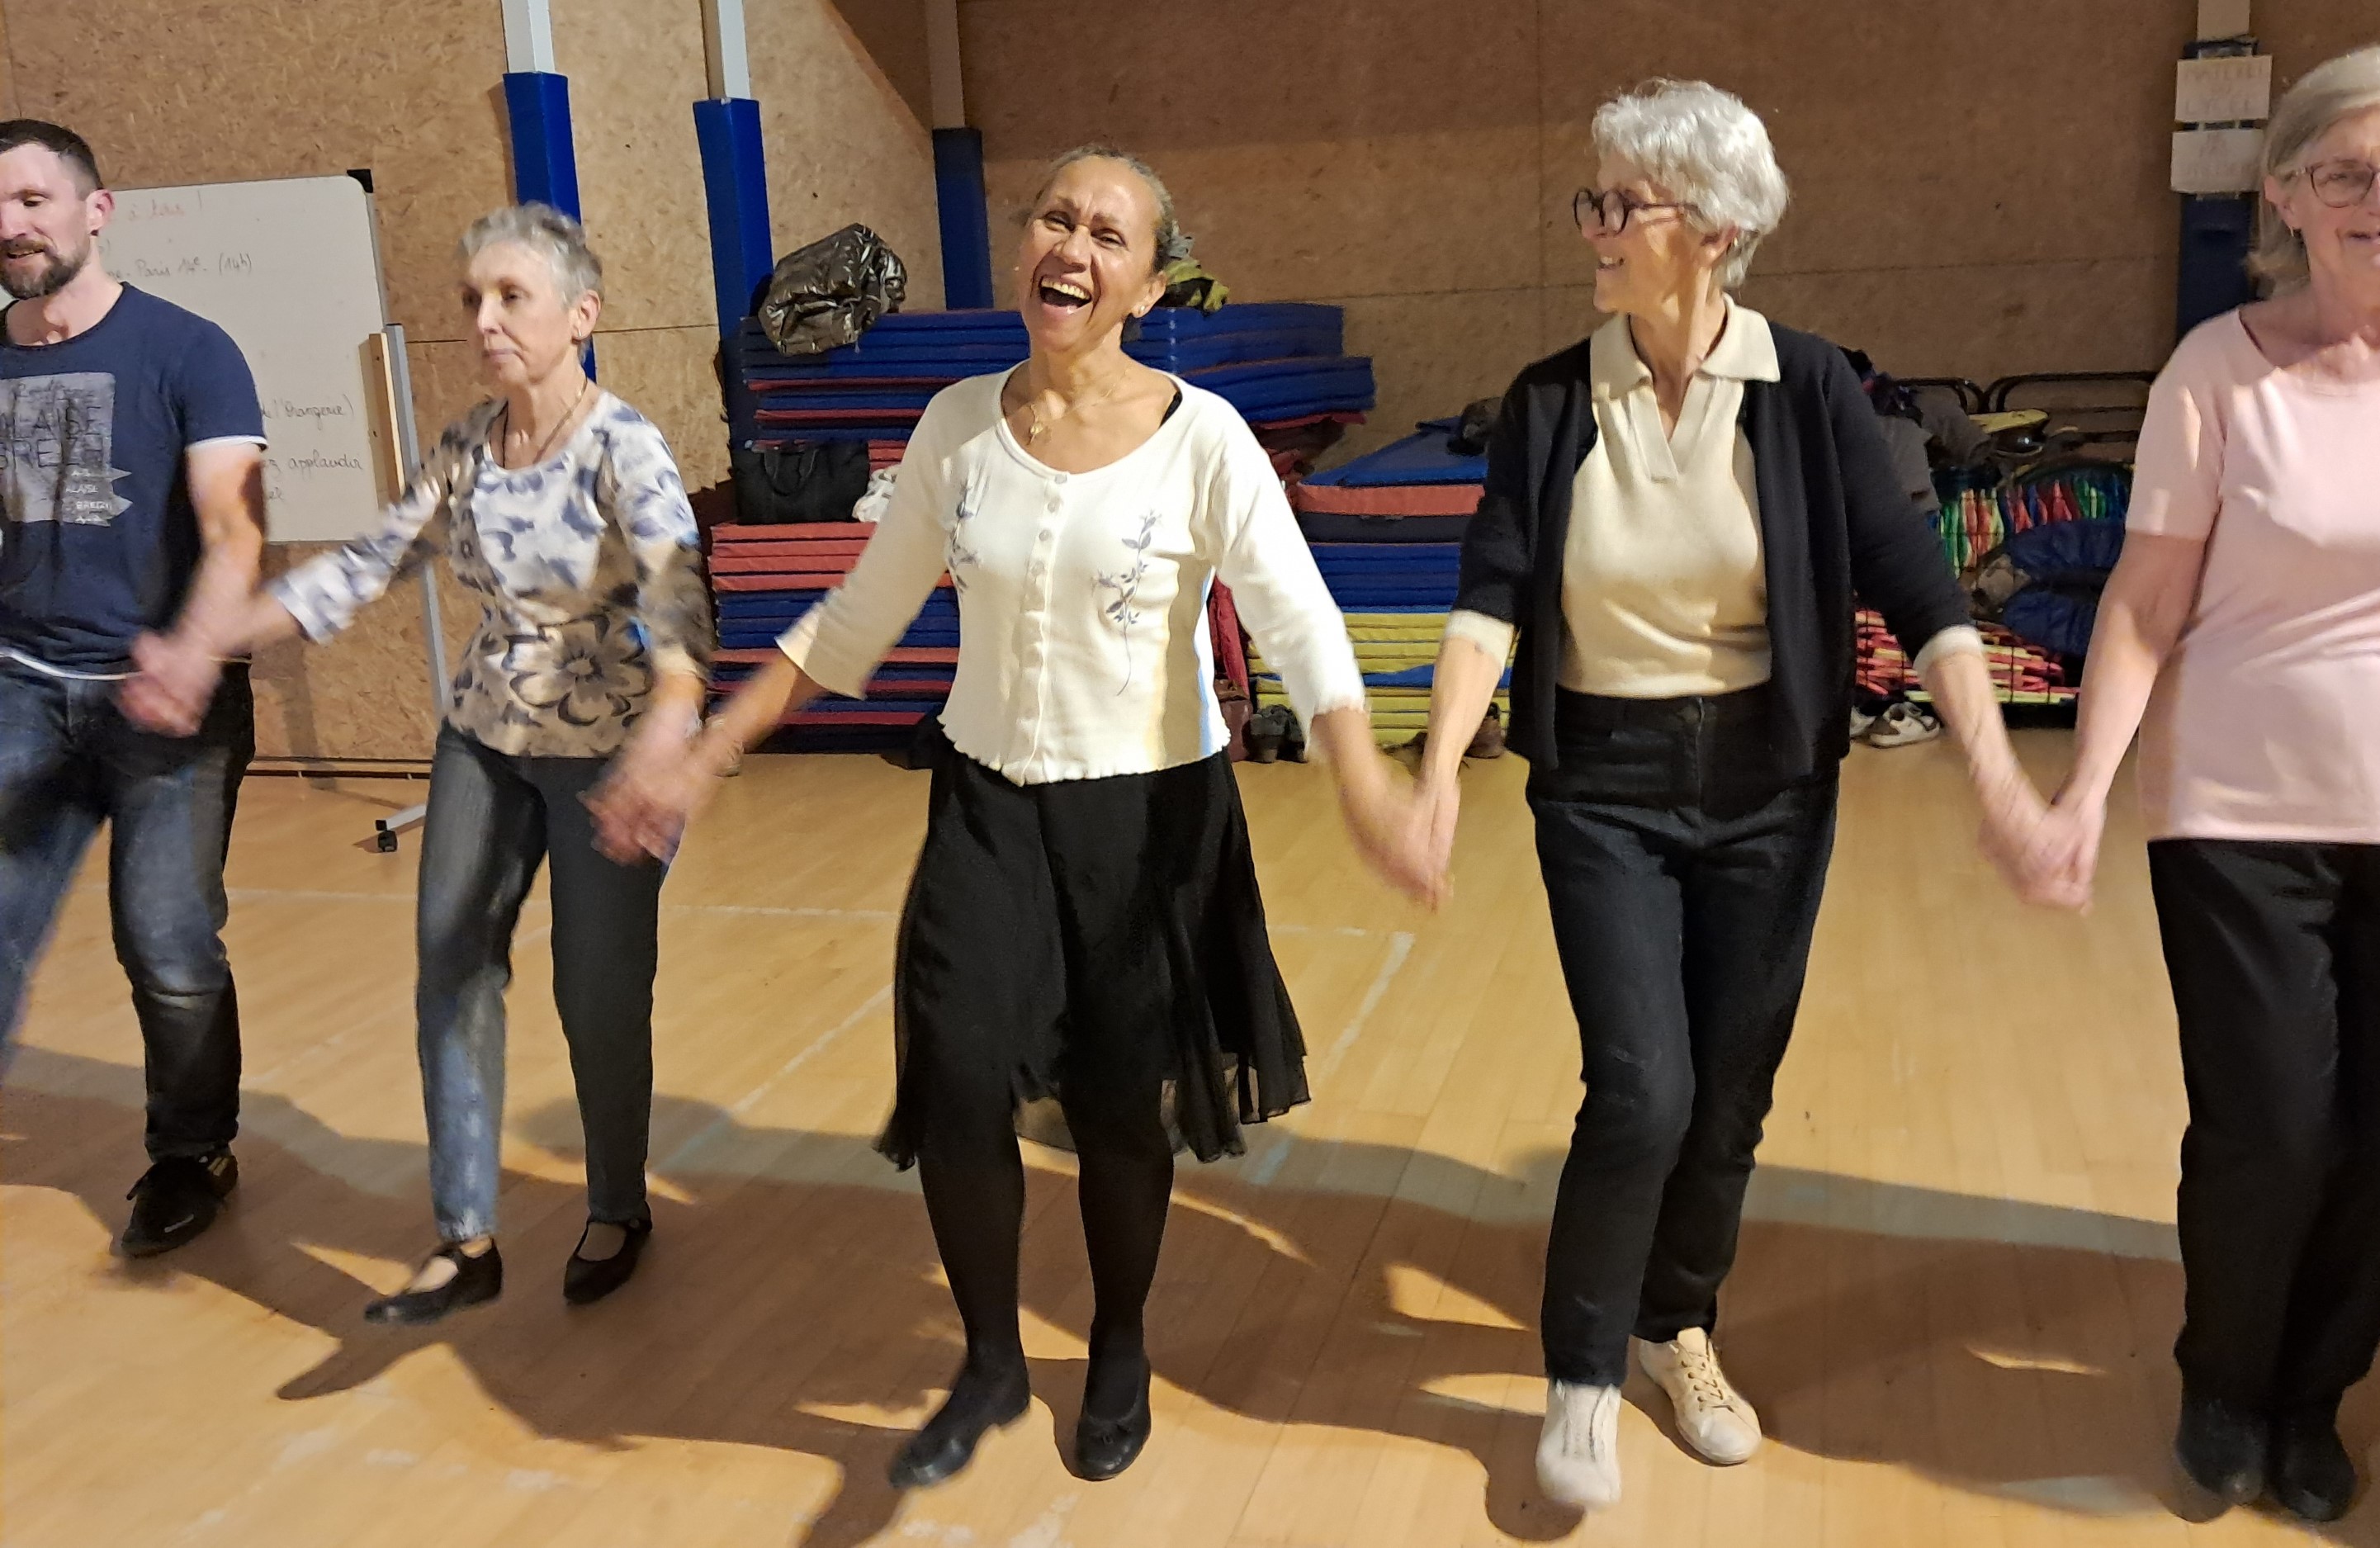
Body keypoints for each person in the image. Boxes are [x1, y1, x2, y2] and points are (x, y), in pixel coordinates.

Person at [594, 146, 1408, 1489]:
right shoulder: (957, 426)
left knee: (1120, 1106)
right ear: (1025, 246)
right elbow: (855, 619)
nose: (1071, 248)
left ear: (1147, 286)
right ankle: (987, 1361)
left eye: (1108, 234)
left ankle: (1120, 1342)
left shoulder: (1202, 438)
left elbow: (1300, 624)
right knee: (959, 1076)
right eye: (1054, 219)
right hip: (987, 806)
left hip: (1150, 818)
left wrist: (1363, 778)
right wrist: (708, 743)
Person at [1384, 80, 2050, 1510]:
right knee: (1643, 1088)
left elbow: (1920, 590)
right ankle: (1580, 1371)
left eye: (1623, 205)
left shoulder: (1806, 390)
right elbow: (1489, 594)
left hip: (1769, 788)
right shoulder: (1550, 399)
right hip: (1603, 789)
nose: (1594, 228)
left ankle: (1673, 1325)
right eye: (1593, 199)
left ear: (1718, 228)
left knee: (1730, 1093)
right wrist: (1435, 773)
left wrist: (1995, 772)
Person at [2016, 45, 2380, 1524]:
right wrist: (2082, 793)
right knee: (2272, 1130)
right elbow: (2140, 603)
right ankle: (2224, 1378)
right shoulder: (2219, 369)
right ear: (2284, 195)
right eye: (2342, 170)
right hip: (2239, 812)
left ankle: (2314, 1390)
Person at [134, 204, 712, 1323]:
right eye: (472, 300)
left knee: (597, 994)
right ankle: (465, 1238)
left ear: (581, 316)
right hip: (484, 739)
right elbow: (363, 565)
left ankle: (616, 1203)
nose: (484, 320)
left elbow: (679, 601)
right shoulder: (466, 448)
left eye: (511, 297)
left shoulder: (625, 447)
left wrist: (669, 729)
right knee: (450, 970)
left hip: (605, 754)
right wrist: (212, 635)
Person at [0, 120, 267, 1257]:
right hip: (21, 683)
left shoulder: (190, 350)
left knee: (165, 941)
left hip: (167, 699)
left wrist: (196, 646)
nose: (12, 226)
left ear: (94, 210)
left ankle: (191, 1153)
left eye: (32, 200)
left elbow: (235, 529)